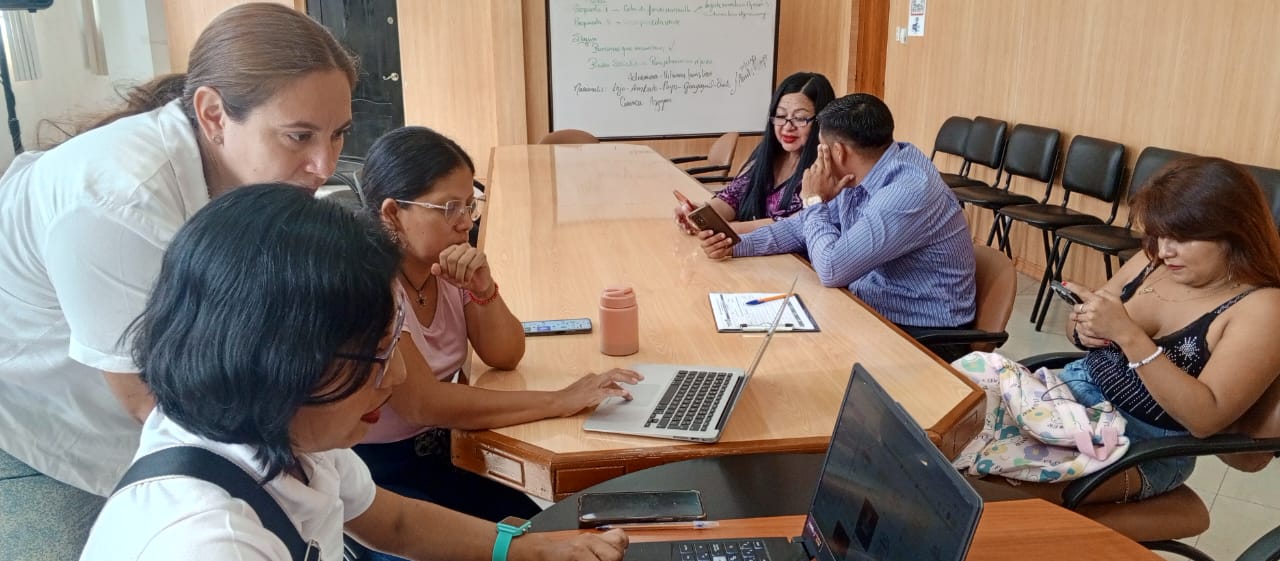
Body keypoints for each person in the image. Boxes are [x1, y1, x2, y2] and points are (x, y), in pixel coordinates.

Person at [79, 184, 628, 561]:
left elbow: (396, 523)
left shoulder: (285, 434)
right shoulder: (212, 543)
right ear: (280, 361)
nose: (396, 378)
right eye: (378, 357)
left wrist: (530, 549)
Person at [0, 2, 356, 548]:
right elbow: (151, 401)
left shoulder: (237, 174)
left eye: (338, 135)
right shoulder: (118, 203)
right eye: (298, 136)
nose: (325, 166)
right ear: (213, 115)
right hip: (44, 414)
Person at [355, 126, 642, 529]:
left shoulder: (445, 265)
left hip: (446, 451)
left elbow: (505, 355)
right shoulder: (372, 285)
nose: (464, 223)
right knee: (522, 542)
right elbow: (422, 402)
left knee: (549, 531)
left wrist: (483, 289)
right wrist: (559, 400)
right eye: (449, 208)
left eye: (469, 206)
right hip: (378, 476)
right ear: (392, 214)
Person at [1010, 156, 1280, 503]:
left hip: (1141, 445)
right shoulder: (1151, 261)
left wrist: (1130, 337)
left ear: (1235, 233)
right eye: (1159, 234)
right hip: (1071, 400)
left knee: (998, 481)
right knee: (962, 426)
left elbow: (1205, 419)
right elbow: (1082, 324)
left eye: (1182, 237)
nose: (1165, 250)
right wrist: (1084, 326)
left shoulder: (1261, 307)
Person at [698, 93, 976, 349]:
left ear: (839, 151)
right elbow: (800, 227)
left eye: (822, 148)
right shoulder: (861, 171)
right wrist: (734, 244)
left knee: (786, 350)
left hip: (920, 334)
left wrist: (813, 200)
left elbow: (832, 269)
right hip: (869, 308)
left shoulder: (907, 192)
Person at [673, 72, 835, 234]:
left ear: (821, 121)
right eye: (780, 115)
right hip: (744, 246)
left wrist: (723, 228)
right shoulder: (768, 154)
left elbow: (791, 226)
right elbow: (732, 198)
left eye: (799, 118)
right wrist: (701, 213)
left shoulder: (825, 172)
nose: (787, 127)